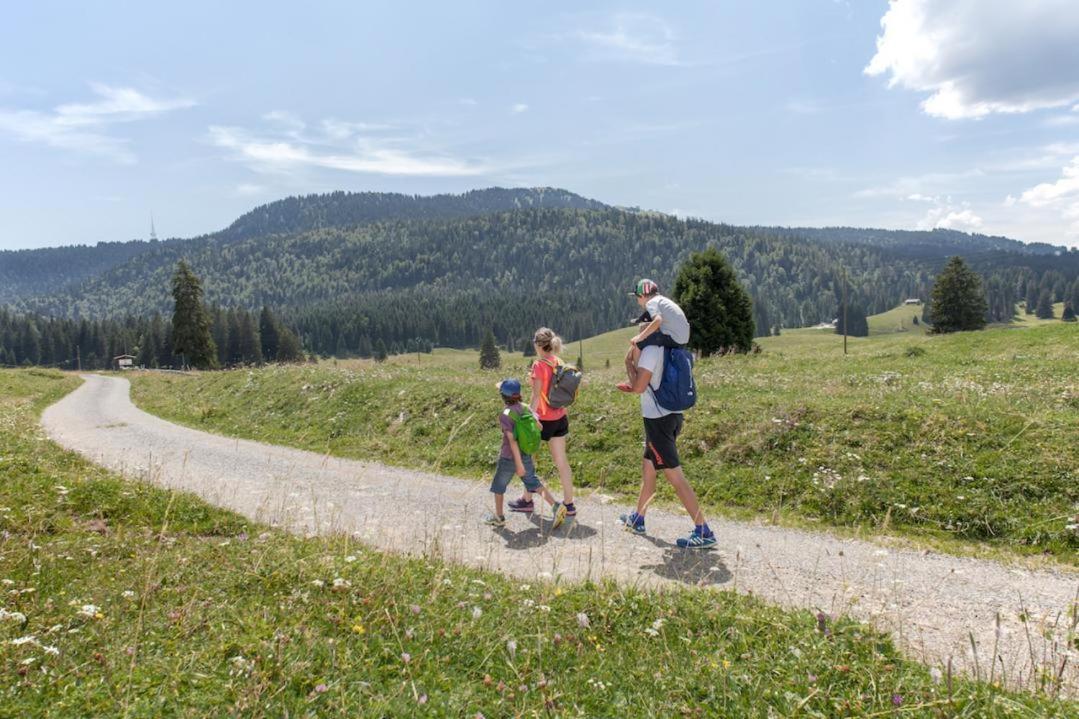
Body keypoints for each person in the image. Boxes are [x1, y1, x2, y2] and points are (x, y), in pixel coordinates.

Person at [616, 344, 716, 549]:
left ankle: (703, 530)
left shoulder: (651, 350)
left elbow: (639, 387)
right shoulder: (668, 349)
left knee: (675, 477)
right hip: (672, 416)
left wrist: (628, 363)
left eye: (643, 325)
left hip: (657, 421)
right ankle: (638, 519)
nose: (639, 329)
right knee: (649, 468)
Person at [506, 327, 578, 518]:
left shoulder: (539, 365)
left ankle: (527, 500)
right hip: (560, 418)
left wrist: (527, 416)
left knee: (527, 460)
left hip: (542, 421)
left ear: (538, 345)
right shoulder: (558, 361)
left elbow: (536, 396)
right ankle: (569, 504)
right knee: (562, 461)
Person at [484, 378, 567, 529]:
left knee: (498, 486)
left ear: (503, 395)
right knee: (533, 482)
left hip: (509, 457)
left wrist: (518, 464)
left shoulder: (506, 413)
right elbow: (540, 427)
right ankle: (556, 507)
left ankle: (499, 517)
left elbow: (511, 440)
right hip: (526, 454)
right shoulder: (525, 407)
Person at [624, 279, 690, 371]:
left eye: (637, 297)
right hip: (683, 338)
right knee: (646, 328)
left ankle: (638, 378)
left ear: (642, 296)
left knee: (638, 344)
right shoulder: (662, 300)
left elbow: (658, 320)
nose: (637, 301)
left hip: (674, 338)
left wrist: (640, 337)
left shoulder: (651, 303)